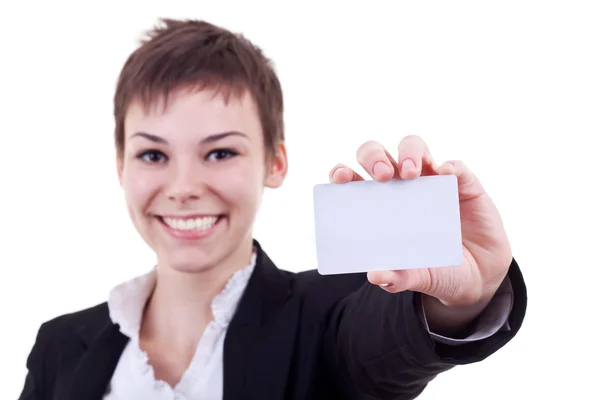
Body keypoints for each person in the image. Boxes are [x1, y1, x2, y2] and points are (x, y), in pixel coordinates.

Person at [18, 18, 527, 400]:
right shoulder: (59, 348)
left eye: (220, 152)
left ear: (275, 162)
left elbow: (387, 340)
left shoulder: (328, 316)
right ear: (120, 166)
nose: (184, 186)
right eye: (153, 154)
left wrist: (464, 298)